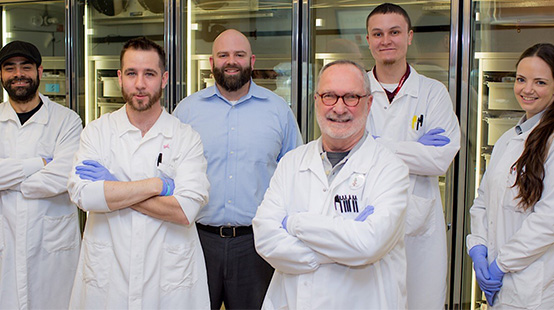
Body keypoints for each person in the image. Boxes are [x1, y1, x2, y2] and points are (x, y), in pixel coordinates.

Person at [253, 60, 410, 309]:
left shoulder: (391, 170)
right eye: (329, 96)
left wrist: (295, 223)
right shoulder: (292, 162)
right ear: (317, 100)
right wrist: (343, 246)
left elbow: (369, 244)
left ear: (369, 104)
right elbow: (264, 238)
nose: (339, 108)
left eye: (351, 97)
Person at [67, 37, 210, 308]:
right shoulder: (97, 132)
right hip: (109, 277)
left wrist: (113, 187)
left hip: (168, 279)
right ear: (120, 77)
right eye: (132, 73)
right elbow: (85, 196)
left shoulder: (185, 137)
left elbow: (184, 210)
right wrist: (158, 185)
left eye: (150, 74)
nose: (140, 84)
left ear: (164, 79)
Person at [173, 28, 301, 310]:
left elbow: (296, 178)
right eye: (223, 55)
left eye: (239, 55)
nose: (231, 61)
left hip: (256, 246)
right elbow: (168, 174)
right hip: (196, 241)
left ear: (252, 61)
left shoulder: (278, 111)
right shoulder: (186, 112)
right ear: (212, 62)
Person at [365, 3, 461, 308]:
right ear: (368, 40)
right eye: (378, 33)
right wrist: (415, 147)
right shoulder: (354, 90)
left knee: (422, 300)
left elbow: (441, 159)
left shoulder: (433, 93)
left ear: (409, 36)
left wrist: (378, 145)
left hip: (420, 229)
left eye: (394, 32)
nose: (386, 40)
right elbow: (345, 151)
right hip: (364, 215)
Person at [467, 43, 554, 308]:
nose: (527, 89)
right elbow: (483, 199)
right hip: (501, 285)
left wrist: (500, 264)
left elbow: (549, 220)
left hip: (534, 289)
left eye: (540, 82)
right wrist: (478, 249)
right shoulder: (509, 138)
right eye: (520, 79)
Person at [0, 40, 82, 309]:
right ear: (1, 75)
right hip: (6, 243)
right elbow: (47, 175)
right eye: (9, 68)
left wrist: (8, 182)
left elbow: (62, 178)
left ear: (40, 71)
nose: (18, 74)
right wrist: (38, 163)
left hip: (52, 251)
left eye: (26, 67)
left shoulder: (67, 121)